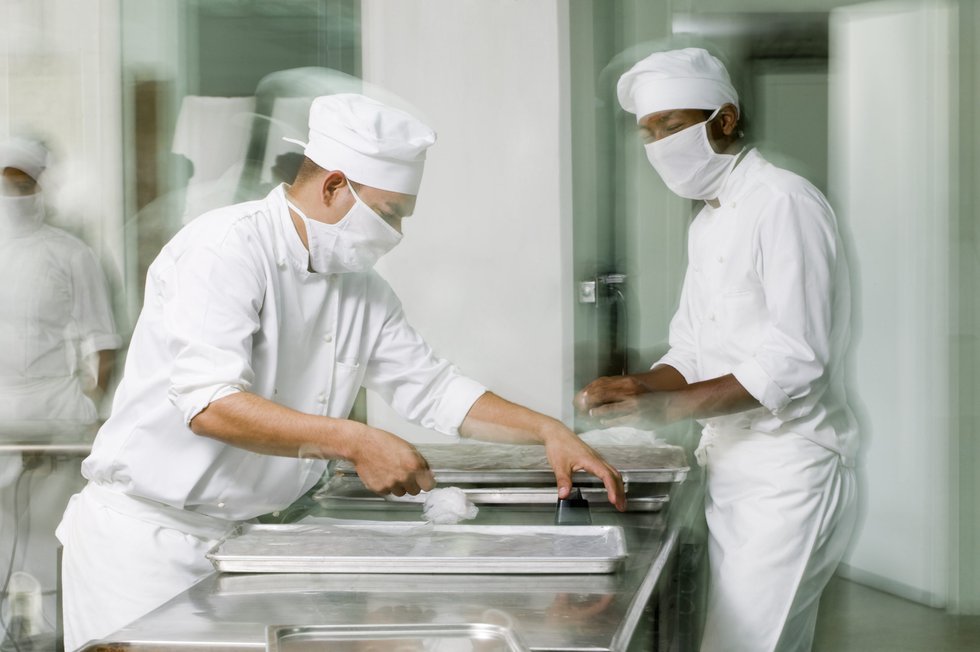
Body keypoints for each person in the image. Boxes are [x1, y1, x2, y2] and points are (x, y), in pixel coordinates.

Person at [57, 93, 626, 650]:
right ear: (333, 186)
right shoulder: (225, 248)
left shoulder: (362, 289)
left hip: (249, 545)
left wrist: (548, 431)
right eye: (387, 214)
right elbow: (210, 406)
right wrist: (355, 441)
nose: (395, 234)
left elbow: (432, 388)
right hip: (147, 549)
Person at [574, 48, 857, 652]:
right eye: (648, 133)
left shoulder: (784, 201)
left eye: (672, 127)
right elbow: (693, 350)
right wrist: (638, 390)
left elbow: (797, 356)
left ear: (724, 119)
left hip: (788, 469)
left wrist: (672, 410)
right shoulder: (707, 223)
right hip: (729, 463)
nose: (658, 146)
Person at [0, 137, 121, 645]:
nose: (13, 194)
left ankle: (51, 636)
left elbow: (103, 342)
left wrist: (89, 410)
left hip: (55, 415)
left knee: (48, 537)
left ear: (40, 186)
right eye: (4, 184)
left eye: (22, 184)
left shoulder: (69, 253)